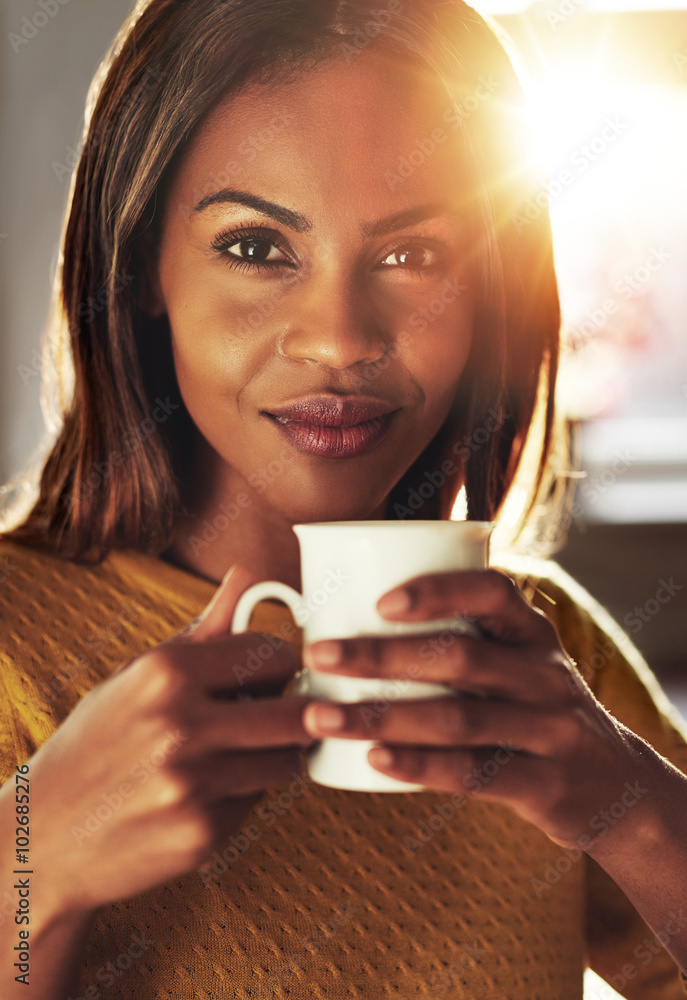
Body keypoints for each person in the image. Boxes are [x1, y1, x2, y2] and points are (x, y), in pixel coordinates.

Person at [0, 1, 686, 997]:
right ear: (142, 264)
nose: (338, 338)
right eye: (253, 247)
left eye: (414, 256)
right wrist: (39, 855)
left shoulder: (541, 652)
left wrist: (630, 806)